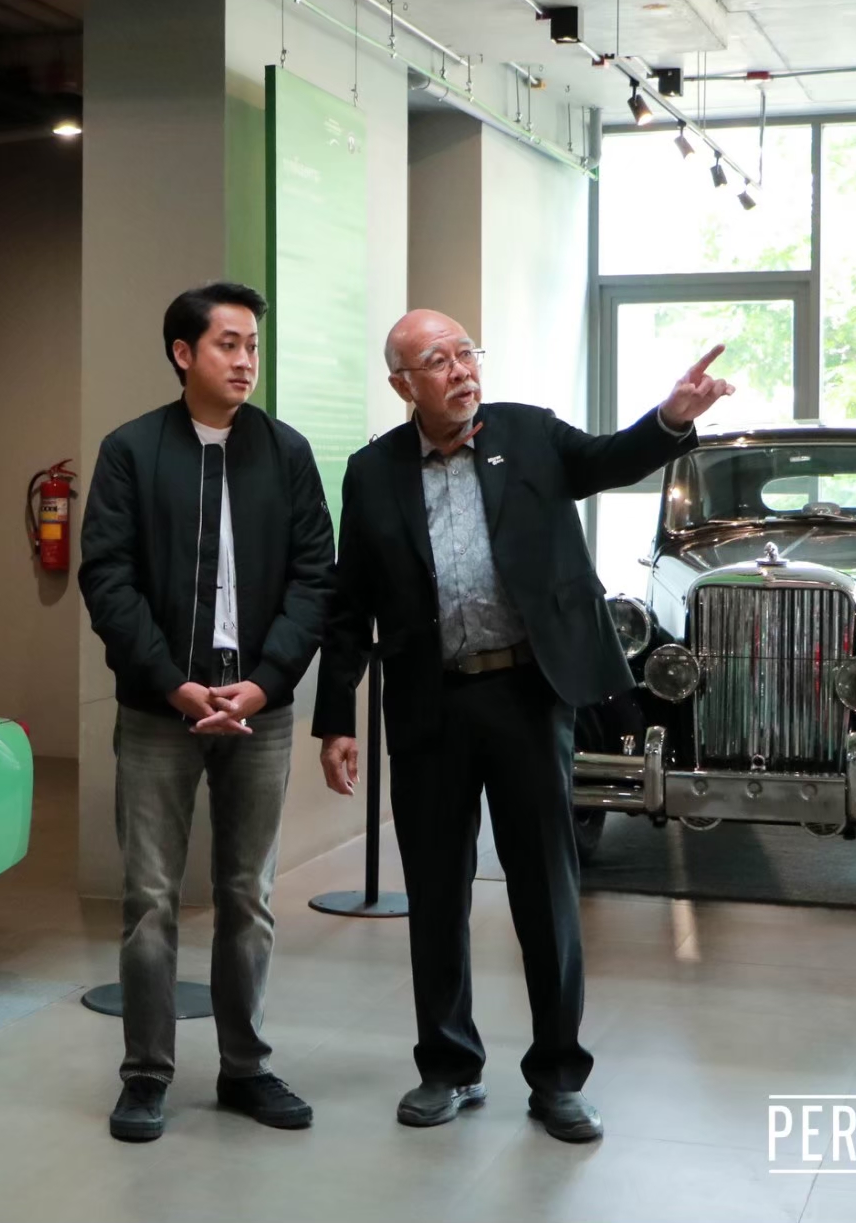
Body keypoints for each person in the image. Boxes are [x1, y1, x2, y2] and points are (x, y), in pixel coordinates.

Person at [313, 309, 733, 1143]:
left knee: (545, 887)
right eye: (438, 360)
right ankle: (448, 1065)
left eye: (467, 352)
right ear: (402, 384)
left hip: (528, 695)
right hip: (431, 702)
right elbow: (349, 600)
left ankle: (558, 1076)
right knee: (437, 890)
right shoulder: (373, 472)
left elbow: (610, 458)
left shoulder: (530, 435)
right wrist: (336, 718)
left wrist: (671, 418)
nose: (461, 369)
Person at [78, 281, 336, 1144]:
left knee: (247, 895)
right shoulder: (131, 451)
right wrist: (170, 681)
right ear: (183, 353)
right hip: (162, 709)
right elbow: (106, 579)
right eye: (229, 343)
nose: (246, 360)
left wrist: (264, 681)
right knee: (150, 898)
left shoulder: (286, 452)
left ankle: (245, 1066)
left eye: (253, 345)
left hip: (259, 708)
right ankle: (146, 1073)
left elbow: (315, 577)